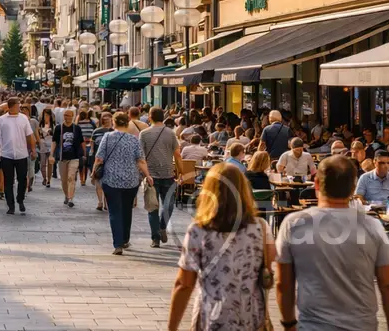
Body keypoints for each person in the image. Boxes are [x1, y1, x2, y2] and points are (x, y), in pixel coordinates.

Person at [275, 155, 389, 331]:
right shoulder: (371, 226)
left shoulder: (295, 224)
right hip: (362, 325)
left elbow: (284, 283)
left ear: (317, 184)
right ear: (352, 187)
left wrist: (288, 323)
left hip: (313, 325)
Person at [167, 163, 275, 331]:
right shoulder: (261, 227)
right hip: (251, 316)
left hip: (212, 315)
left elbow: (184, 283)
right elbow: (270, 260)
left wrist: (172, 327)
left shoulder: (198, 230)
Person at [93, 113, 150, 255]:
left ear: (114, 123)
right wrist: (148, 175)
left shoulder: (107, 137)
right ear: (127, 123)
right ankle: (125, 239)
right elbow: (141, 160)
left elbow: (99, 158)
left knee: (114, 211)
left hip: (111, 180)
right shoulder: (134, 140)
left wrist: (94, 173)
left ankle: (118, 244)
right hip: (131, 181)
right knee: (126, 210)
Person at [141, 107, 184, 246]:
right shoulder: (171, 133)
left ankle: (156, 236)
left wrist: (144, 174)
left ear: (150, 117)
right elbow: (177, 154)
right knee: (169, 205)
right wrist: (181, 172)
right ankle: (162, 227)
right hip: (168, 174)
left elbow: (141, 157)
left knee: (152, 207)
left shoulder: (144, 134)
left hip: (150, 176)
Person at [0, 97, 36, 214]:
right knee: (8, 181)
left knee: (22, 179)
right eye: (18, 105)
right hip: (7, 154)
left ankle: (20, 199)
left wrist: (33, 149)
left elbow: (29, 135)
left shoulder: (23, 119)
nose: (20, 107)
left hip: (21, 154)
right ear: (11, 106)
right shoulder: (2, 120)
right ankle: (10, 205)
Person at [53, 109, 85, 208]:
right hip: (62, 157)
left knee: (71, 177)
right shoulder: (59, 128)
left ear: (73, 116)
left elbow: (81, 141)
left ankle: (71, 198)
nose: (67, 117)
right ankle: (66, 195)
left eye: (69, 115)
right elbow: (54, 141)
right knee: (63, 179)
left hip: (74, 156)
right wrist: (51, 154)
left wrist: (84, 154)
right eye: (65, 115)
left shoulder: (76, 128)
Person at [36, 107, 55, 188]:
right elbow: (37, 134)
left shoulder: (54, 125)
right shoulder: (39, 124)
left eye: (48, 115)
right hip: (43, 146)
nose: (46, 117)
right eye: (45, 115)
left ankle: (48, 180)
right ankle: (44, 178)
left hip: (51, 146)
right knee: (42, 164)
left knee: (50, 164)